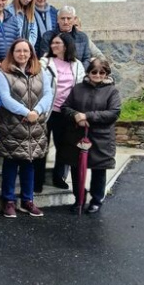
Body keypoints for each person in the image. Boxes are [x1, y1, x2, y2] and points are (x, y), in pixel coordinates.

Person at [0, 39, 53, 218]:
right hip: (12, 125)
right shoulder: (3, 73)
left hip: (34, 125)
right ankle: (8, 201)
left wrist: (37, 111)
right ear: (12, 53)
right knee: (10, 163)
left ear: (31, 53)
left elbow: (48, 94)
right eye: (18, 51)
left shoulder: (40, 72)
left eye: (26, 51)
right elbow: (4, 98)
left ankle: (28, 200)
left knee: (29, 163)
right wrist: (26, 112)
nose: (22, 54)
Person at [58, 58, 121, 213]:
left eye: (102, 72)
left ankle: (96, 200)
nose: (97, 75)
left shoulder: (112, 91)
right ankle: (79, 198)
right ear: (88, 72)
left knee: (99, 170)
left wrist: (87, 116)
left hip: (101, 138)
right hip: (77, 136)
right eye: (94, 72)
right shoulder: (78, 88)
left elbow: (113, 113)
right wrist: (76, 116)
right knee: (76, 169)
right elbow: (65, 108)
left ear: (106, 74)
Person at [34, 32, 85, 193]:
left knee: (63, 147)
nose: (53, 46)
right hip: (48, 111)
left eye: (58, 43)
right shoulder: (45, 62)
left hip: (67, 112)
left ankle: (58, 177)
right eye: (53, 43)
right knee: (42, 146)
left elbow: (81, 87)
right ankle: (38, 181)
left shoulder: (77, 65)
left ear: (66, 45)